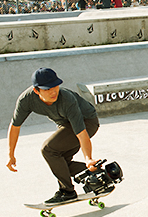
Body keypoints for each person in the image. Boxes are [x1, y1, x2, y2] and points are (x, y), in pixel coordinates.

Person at [6, 68, 100, 204]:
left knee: (49, 149)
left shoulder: (67, 99)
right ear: (36, 90)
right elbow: (15, 126)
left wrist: (88, 158)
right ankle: (97, 173)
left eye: (55, 86)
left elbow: (81, 132)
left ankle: (67, 191)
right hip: (65, 125)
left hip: (87, 122)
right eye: (47, 89)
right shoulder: (26, 100)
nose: (53, 91)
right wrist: (11, 154)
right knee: (60, 162)